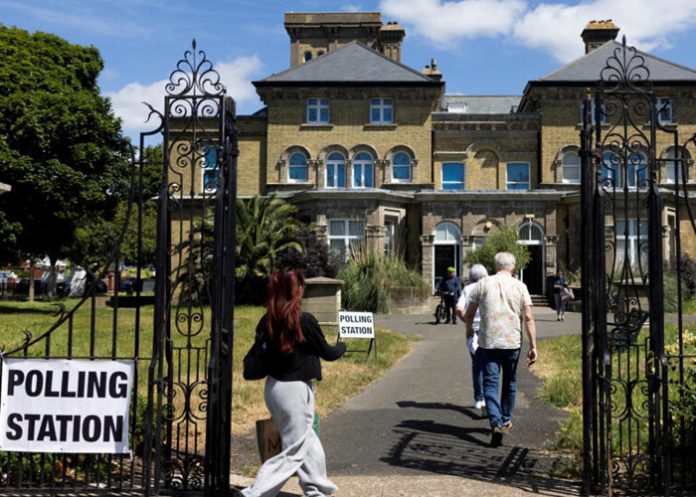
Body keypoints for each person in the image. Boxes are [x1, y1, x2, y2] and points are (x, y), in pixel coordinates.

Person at [240, 268, 346, 497]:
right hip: (295, 391)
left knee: (308, 441)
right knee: (294, 450)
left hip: (274, 388)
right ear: (296, 290)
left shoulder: (267, 321)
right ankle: (253, 493)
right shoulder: (304, 322)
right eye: (301, 285)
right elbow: (328, 352)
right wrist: (343, 346)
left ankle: (317, 488)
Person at [462, 252, 538, 447]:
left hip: (488, 341)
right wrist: (533, 346)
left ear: (495, 266)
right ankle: (505, 420)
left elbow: (468, 313)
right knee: (510, 382)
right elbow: (528, 317)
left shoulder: (483, 284)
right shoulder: (521, 286)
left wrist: (469, 330)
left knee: (490, 383)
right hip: (512, 341)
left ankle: (495, 422)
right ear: (513, 267)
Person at [456, 263, 489, 417]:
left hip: (473, 332)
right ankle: (489, 399)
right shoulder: (488, 288)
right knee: (490, 366)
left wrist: (466, 322)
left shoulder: (467, 289)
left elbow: (458, 309)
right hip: (488, 331)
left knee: (477, 366)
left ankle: (479, 398)